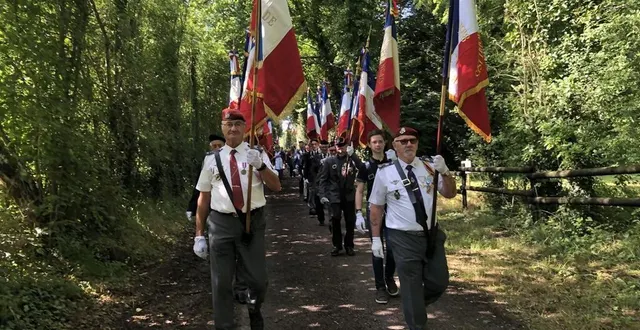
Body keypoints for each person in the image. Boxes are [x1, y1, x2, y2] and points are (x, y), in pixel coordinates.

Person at [192, 108, 281, 330]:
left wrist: (260, 165)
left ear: (245, 128)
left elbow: (276, 186)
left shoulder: (257, 153)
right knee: (221, 282)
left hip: (252, 223)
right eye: (228, 124)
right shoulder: (211, 159)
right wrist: (199, 235)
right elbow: (203, 197)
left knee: (258, 281)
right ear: (223, 128)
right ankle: (224, 326)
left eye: (238, 125)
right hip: (221, 224)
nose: (233, 129)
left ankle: (254, 308)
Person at [368, 126, 456, 330]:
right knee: (411, 284)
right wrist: (375, 239)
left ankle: (414, 303)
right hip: (402, 237)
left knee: (439, 281)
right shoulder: (385, 173)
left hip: (431, 235)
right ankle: (416, 321)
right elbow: (376, 207)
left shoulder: (429, 167)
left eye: (412, 141)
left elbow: (449, 194)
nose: (409, 144)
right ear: (395, 146)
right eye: (403, 141)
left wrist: (445, 172)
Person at [354, 130, 399, 304]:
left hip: (393, 210)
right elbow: (359, 190)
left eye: (380, 141)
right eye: (374, 142)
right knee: (377, 250)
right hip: (374, 212)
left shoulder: (394, 163)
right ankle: (380, 287)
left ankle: (389, 278)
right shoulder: (365, 167)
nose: (378, 145)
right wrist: (358, 212)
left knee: (393, 248)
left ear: (385, 143)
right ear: (370, 145)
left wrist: (396, 161)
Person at [317, 137, 363, 256]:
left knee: (350, 221)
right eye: (338, 146)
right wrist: (322, 195)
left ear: (346, 146)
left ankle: (349, 245)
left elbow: (362, 169)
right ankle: (337, 245)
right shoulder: (329, 161)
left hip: (348, 195)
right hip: (334, 196)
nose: (340, 149)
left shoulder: (351, 160)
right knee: (335, 220)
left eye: (343, 146)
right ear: (335, 147)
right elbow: (323, 180)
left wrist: (354, 156)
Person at [186, 134, 225, 222]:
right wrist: (191, 207)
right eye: (214, 146)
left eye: (220, 146)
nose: (217, 148)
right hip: (210, 202)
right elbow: (199, 186)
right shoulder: (207, 162)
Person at [302, 138, 325, 225]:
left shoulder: (322, 154)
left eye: (316, 144)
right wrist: (306, 177)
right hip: (313, 179)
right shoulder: (308, 155)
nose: (314, 146)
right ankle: (313, 209)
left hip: (324, 179)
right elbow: (307, 166)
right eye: (313, 144)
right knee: (313, 194)